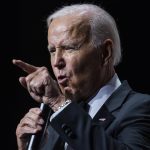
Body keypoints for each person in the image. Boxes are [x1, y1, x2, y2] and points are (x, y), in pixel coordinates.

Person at [13, 3, 150, 150]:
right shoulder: (54, 121)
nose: (57, 62)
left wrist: (58, 102)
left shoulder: (141, 107)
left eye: (69, 48)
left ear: (105, 53)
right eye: (52, 50)